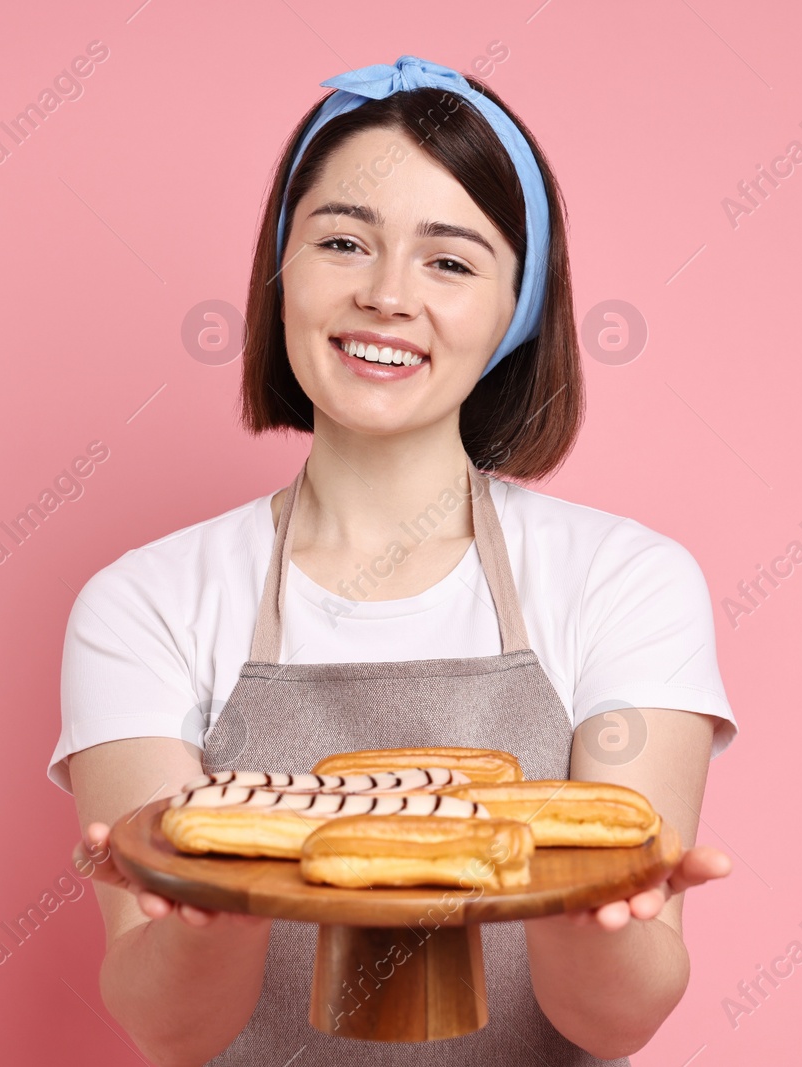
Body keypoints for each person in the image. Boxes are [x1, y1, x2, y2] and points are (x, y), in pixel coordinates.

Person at [49, 55, 738, 1067]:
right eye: (342, 241)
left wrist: (585, 910)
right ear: (280, 272)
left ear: (518, 310)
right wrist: (213, 907)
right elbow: (167, 1023)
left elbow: (618, 1017)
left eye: (449, 261)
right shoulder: (144, 602)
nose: (384, 294)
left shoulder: (623, 581)